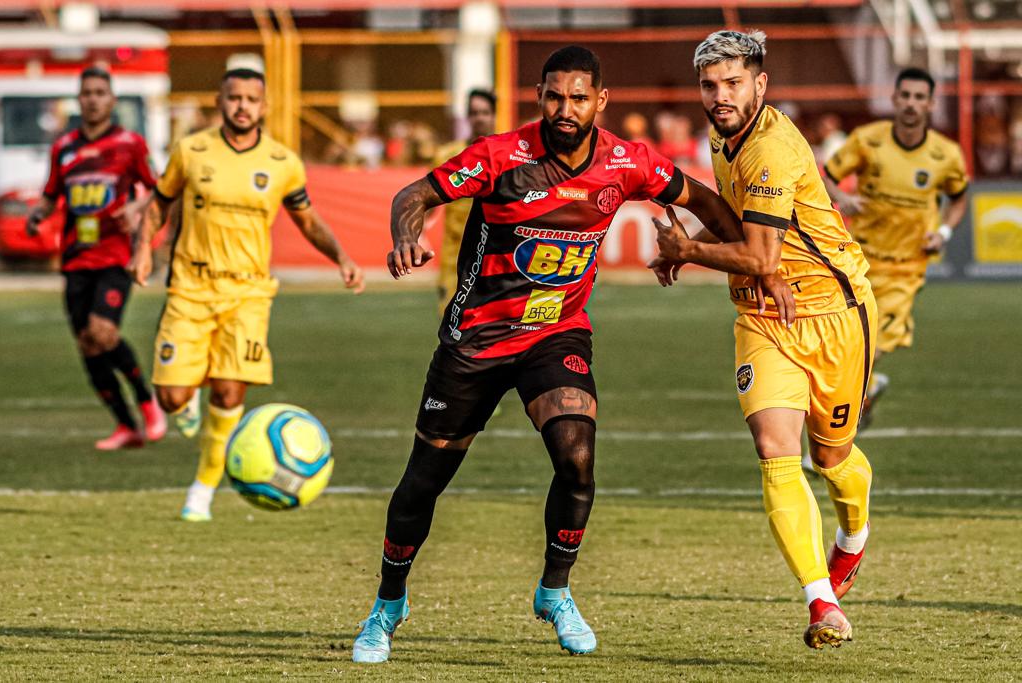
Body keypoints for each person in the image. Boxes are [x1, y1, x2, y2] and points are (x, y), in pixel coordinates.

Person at [350, 45, 750, 663]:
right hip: (477, 341)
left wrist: (725, 255)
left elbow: (703, 200)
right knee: (423, 482)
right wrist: (406, 236)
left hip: (555, 334)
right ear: (539, 97)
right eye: (555, 96)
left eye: (579, 97)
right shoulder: (500, 157)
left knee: (577, 453)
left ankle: (555, 592)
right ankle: (388, 603)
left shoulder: (628, 162)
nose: (566, 109)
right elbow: (415, 194)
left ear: (601, 102)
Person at [652, 30, 876, 649]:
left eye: (731, 83)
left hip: (835, 313)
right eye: (709, 85)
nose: (719, 96)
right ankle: (820, 602)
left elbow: (754, 248)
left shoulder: (773, 147)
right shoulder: (727, 138)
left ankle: (852, 539)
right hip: (764, 317)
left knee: (832, 458)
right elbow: (740, 226)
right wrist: (752, 265)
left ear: (760, 85)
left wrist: (689, 250)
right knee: (775, 447)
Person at [128, 68, 364, 522]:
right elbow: (159, 202)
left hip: (248, 294)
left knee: (231, 388)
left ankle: (203, 487)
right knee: (172, 397)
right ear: (220, 101)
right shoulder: (192, 151)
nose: (242, 106)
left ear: (264, 106)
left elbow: (308, 220)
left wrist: (342, 258)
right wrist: (143, 248)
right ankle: (187, 400)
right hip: (190, 288)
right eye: (233, 98)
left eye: (250, 99)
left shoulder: (282, 162)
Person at [27, 66, 166, 451]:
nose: (92, 99)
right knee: (87, 343)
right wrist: (38, 215)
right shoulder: (64, 147)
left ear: (112, 100)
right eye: (86, 92)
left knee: (103, 332)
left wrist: (137, 207)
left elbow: (158, 191)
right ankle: (126, 426)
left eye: (100, 92)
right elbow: (51, 193)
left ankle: (146, 399)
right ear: (79, 99)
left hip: (114, 256)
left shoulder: (129, 144)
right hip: (75, 259)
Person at [823, 67, 969, 426]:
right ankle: (866, 393)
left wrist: (944, 234)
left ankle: (838, 430)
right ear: (894, 99)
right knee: (844, 345)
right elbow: (824, 175)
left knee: (868, 348)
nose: (911, 104)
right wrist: (842, 196)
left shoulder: (946, 155)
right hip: (858, 260)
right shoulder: (868, 140)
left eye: (919, 97)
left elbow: (959, 198)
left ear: (931, 104)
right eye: (905, 96)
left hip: (906, 269)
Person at [433, 88, 497, 312]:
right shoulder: (448, 155)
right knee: (451, 325)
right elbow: (427, 200)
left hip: (494, 260)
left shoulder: (505, 156)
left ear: (494, 115)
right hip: (456, 259)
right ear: (467, 117)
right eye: (474, 112)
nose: (479, 118)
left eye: (485, 112)